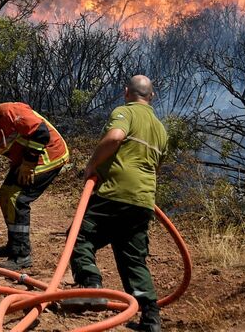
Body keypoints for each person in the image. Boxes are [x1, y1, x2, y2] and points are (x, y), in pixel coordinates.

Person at [68, 75, 168, 332]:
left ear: (126, 93)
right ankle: (150, 317)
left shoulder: (125, 112)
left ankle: (91, 286)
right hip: (143, 199)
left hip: (115, 193)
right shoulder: (160, 128)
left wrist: (92, 164)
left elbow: (115, 137)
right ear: (152, 96)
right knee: (132, 258)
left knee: (79, 235)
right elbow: (156, 166)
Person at [0, 100, 69, 270]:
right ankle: (14, 244)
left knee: (16, 197)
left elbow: (41, 133)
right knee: (4, 195)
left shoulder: (10, 112)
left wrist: (29, 163)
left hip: (48, 154)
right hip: (25, 160)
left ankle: (21, 255)